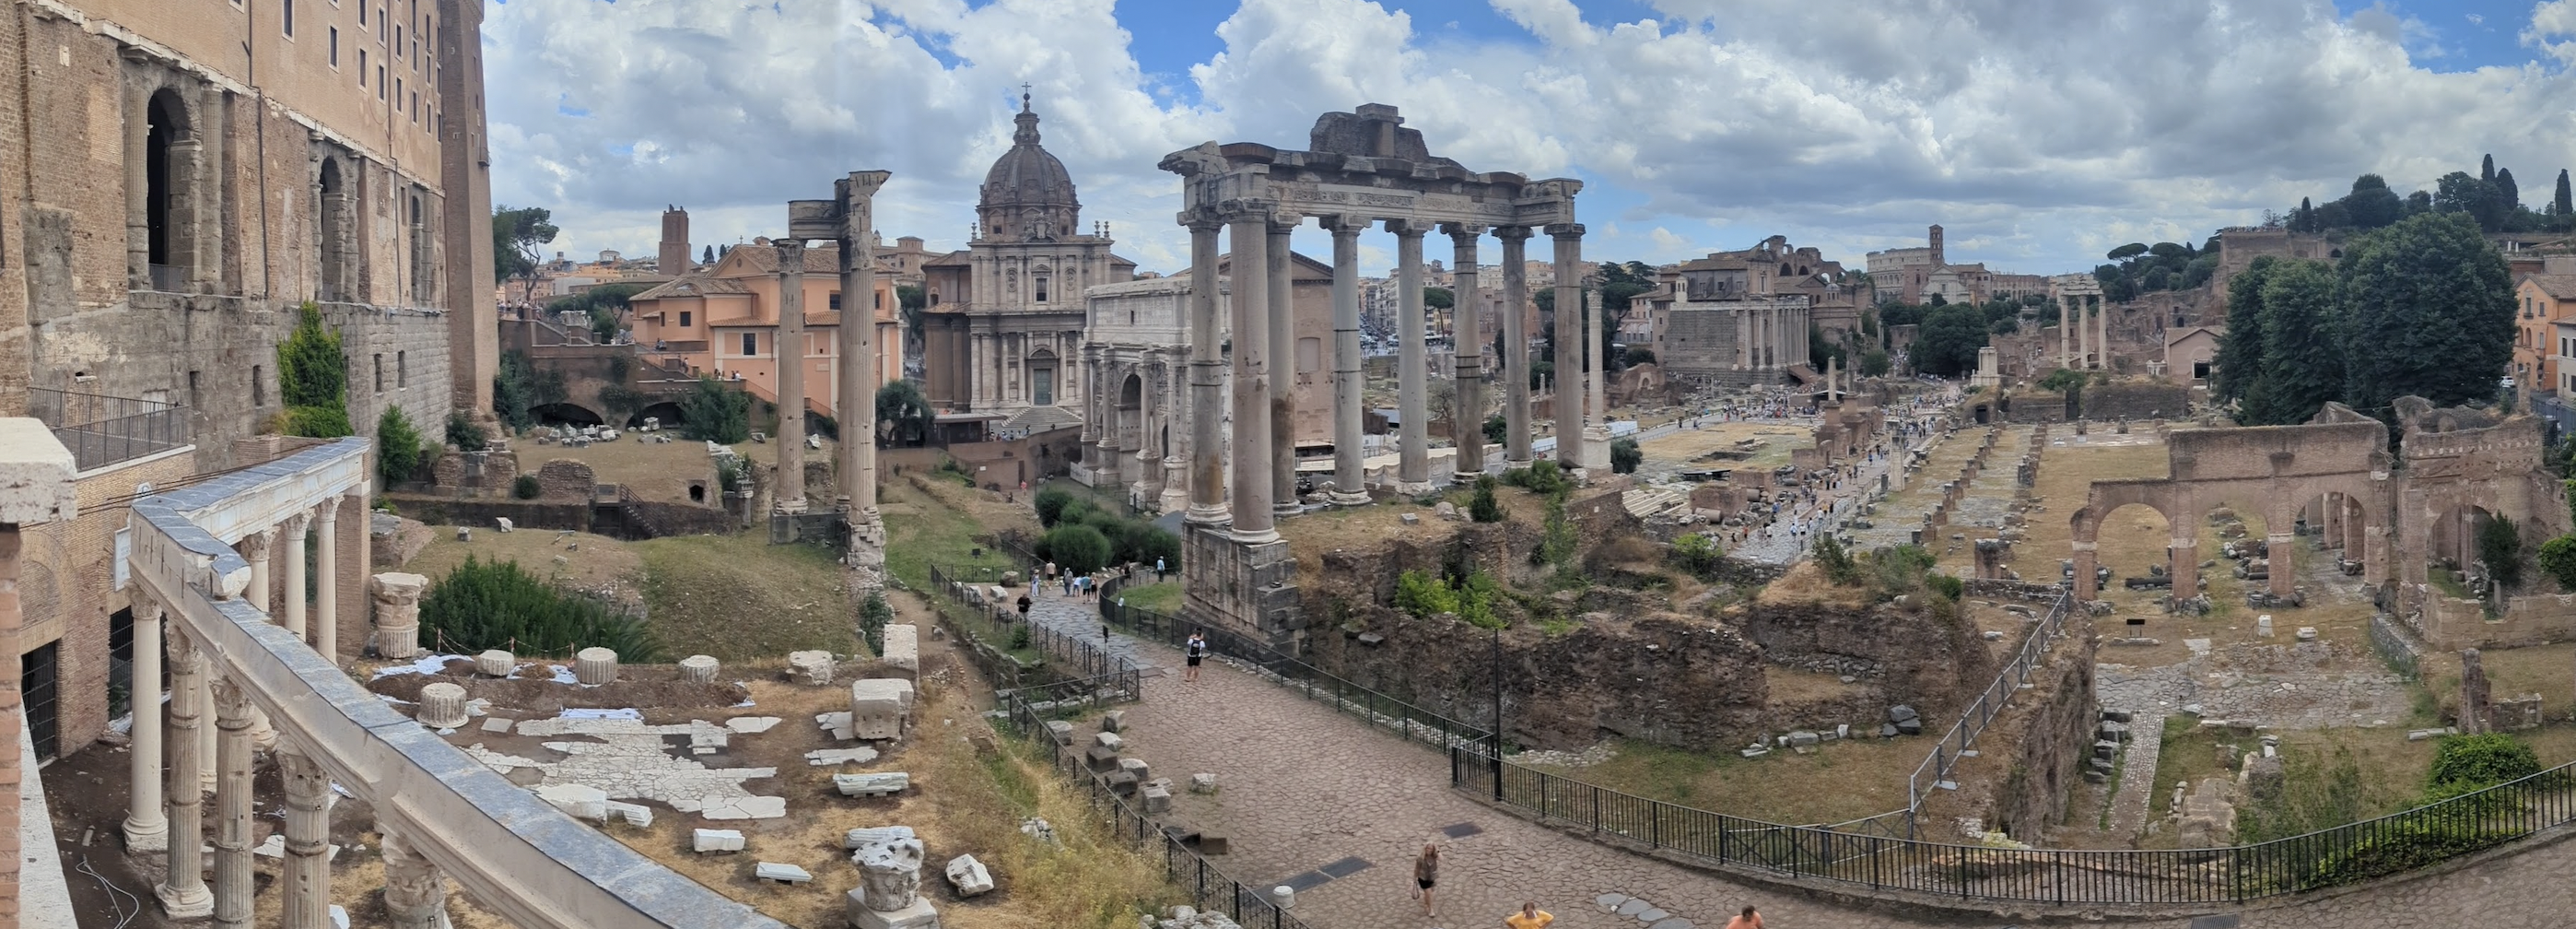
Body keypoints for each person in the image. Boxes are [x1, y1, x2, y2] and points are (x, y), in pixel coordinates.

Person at [1411, 844, 1440, 918]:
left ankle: (1426, 903)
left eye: (1431, 849)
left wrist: (1438, 851)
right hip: (1423, 878)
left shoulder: (1434, 856)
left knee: (1430, 893)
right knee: (1429, 894)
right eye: (1428, 848)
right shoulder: (1420, 858)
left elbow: (1442, 858)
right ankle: (1430, 910)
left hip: (1432, 878)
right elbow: (1417, 868)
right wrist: (1415, 878)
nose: (1429, 850)